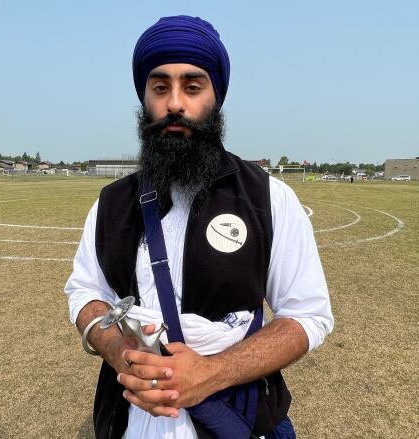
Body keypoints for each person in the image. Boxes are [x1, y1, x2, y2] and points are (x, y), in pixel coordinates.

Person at [65, 15, 333, 439]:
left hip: (236, 419)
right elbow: (86, 292)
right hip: (129, 422)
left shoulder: (269, 199)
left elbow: (307, 315)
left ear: (215, 97)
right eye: (160, 87)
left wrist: (212, 372)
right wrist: (118, 351)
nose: (175, 103)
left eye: (192, 87)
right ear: (144, 98)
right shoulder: (110, 203)